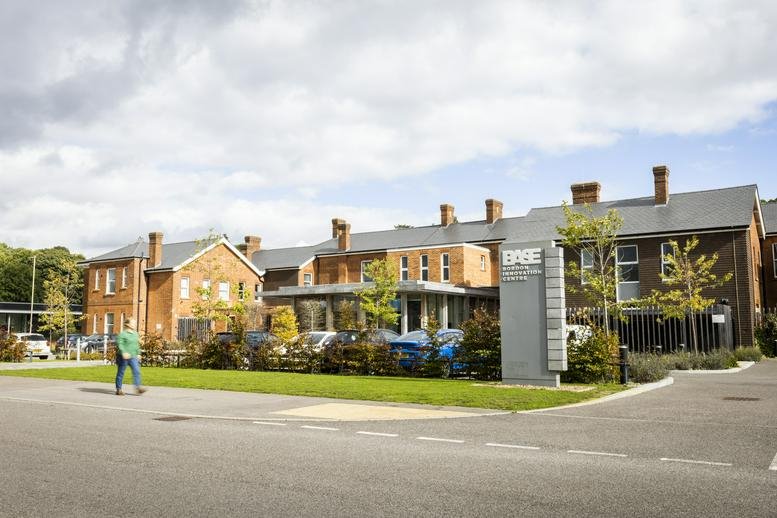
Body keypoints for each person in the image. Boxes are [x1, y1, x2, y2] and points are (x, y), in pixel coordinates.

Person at [115, 318, 146, 396]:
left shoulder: (135, 334)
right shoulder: (122, 334)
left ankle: (138, 388)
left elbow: (136, 345)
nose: (135, 325)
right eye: (133, 323)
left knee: (136, 371)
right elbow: (120, 344)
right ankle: (119, 389)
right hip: (123, 357)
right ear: (128, 324)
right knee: (121, 372)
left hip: (133, 356)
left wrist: (138, 353)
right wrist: (123, 352)